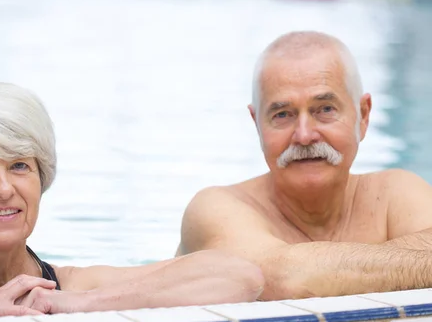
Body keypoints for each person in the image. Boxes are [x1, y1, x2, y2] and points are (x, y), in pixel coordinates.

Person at [0, 81, 264, 322]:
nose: (4, 188)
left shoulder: (62, 287)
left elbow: (239, 276)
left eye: (20, 166)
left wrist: (75, 305)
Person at [176, 31, 432, 301]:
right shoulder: (216, 209)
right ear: (257, 125)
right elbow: (285, 279)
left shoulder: (397, 193)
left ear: (363, 116)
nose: (305, 135)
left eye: (325, 109)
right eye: (282, 114)